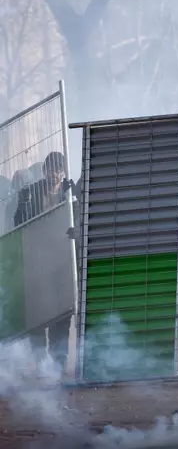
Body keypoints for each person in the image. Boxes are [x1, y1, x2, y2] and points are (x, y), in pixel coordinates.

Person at [13, 152, 73, 374]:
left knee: (63, 311)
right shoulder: (31, 192)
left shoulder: (69, 190)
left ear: (63, 171)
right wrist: (22, 203)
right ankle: (39, 360)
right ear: (44, 171)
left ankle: (59, 359)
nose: (55, 174)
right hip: (37, 260)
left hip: (62, 259)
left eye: (59, 169)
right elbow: (18, 222)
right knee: (37, 310)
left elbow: (78, 216)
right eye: (51, 169)